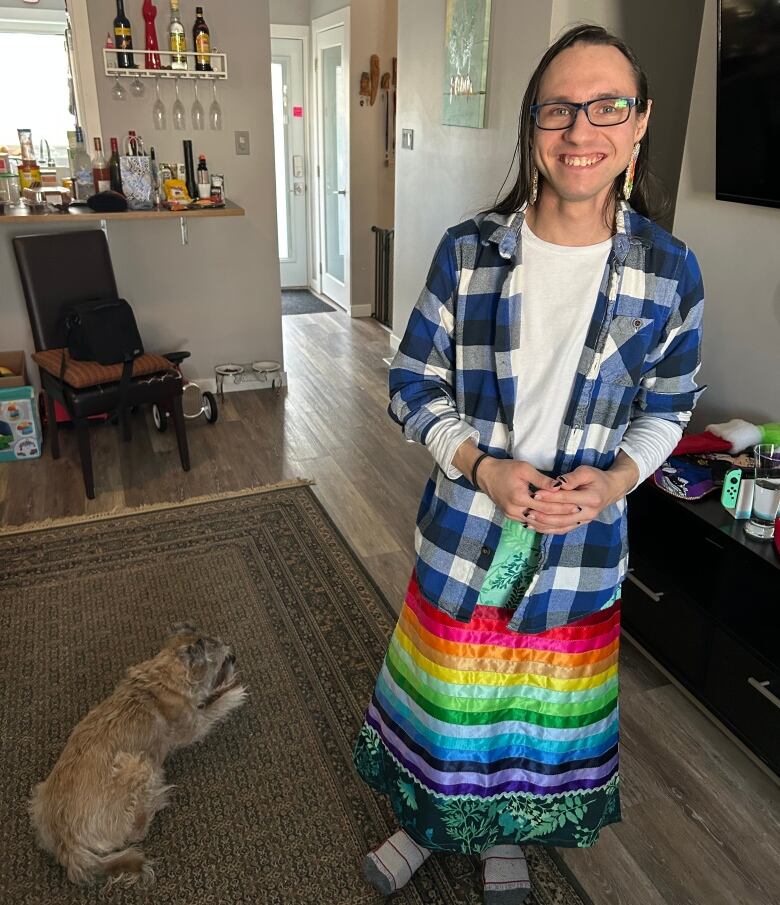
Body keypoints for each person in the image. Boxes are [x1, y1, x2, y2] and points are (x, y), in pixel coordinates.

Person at [353, 23, 704, 905]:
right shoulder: (469, 252)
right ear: (532, 123)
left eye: (606, 107)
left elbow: (670, 407)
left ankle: (503, 833)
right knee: (449, 693)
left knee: (530, 711)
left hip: (579, 547)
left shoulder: (668, 273)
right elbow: (410, 380)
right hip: (472, 528)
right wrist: (478, 463)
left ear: (639, 124)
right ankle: (425, 819)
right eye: (559, 108)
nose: (580, 130)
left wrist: (618, 480)